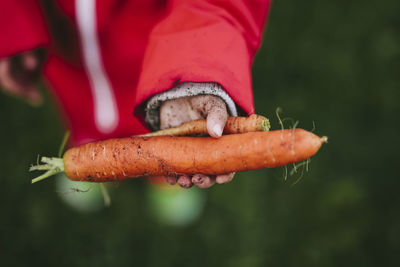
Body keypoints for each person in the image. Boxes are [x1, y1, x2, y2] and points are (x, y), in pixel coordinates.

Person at [0, 0, 272, 189]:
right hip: (67, 56)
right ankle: (87, 163)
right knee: (82, 125)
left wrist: (196, 73)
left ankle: (160, 180)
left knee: (166, 142)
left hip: (156, 69)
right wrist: (12, 27)